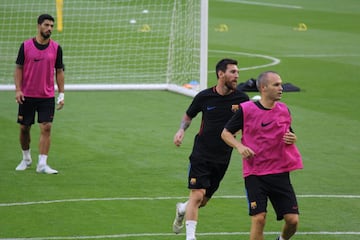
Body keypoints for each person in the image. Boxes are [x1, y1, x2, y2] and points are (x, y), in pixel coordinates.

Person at [172, 58, 249, 240]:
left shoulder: (242, 99)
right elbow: (189, 115)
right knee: (197, 195)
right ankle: (191, 237)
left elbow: (248, 124)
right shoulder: (204, 96)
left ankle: (183, 208)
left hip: (223, 157)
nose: (237, 76)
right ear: (220, 74)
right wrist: (181, 130)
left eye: (237, 72)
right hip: (201, 153)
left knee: (202, 201)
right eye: (233, 72)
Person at [221, 71, 303, 240]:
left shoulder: (284, 110)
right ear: (264, 88)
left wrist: (293, 138)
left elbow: (288, 133)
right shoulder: (247, 109)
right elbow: (225, 133)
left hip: (280, 172)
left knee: (293, 221)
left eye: (281, 84)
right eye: (276, 85)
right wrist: (239, 146)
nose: (281, 88)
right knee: (259, 219)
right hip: (255, 174)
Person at [14, 14, 65, 174]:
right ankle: (26, 158)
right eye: (46, 25)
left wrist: (61, 93)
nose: (49, 28)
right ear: (38, 26)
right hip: (27, 95)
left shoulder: (56, 48)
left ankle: (42, 164)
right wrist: (18, 89)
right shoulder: (26, 46)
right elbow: (19, 68)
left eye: (51, 26)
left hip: (46, 96)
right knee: (24, 129)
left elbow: (59, 71)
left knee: (47, 127)